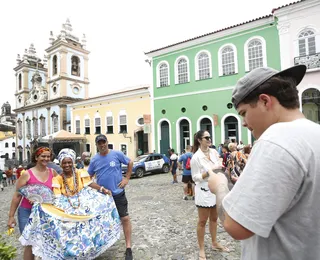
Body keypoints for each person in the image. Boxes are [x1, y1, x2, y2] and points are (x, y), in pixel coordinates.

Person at [207, 64, 320, 259]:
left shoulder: (276, 139)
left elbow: (237, 226)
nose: (243, 122)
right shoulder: (314, 133)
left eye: (243, 113)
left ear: (265, 101)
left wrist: (220, 186)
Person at [18, 148, 120, 259]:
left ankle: (89, 250)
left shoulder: (80, 173)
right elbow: (56, 196)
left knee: (88, 227)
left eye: (69, 162)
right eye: (64, 163)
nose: (67, 165)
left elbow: (89, 184)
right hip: (68, 206)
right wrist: (42, 204)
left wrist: (102, 189)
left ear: (73, 162)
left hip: (83, 204)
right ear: (61, 164)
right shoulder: (58, 179)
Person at [88, 134, 134, 260]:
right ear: (97, 145)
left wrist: (127, 178)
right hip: (103, 197)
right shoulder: (94, 160)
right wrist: (98, 188)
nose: (102, 145)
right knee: (101, 222)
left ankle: (128, 247)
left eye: (104, 142)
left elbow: (130, 162)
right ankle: (100, 246)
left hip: (118, 193)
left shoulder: (116, 154)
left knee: (124, 218)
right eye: (99, 143)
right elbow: (88, 178)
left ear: (107, 142)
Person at [7, 147, 57, 260]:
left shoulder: (52, 173)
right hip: (26, 212)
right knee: (29, 243)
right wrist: (11, 217)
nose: (46, 158)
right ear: (36, 157)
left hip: (45, 213)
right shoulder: (27, 174)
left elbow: (59, 192)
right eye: (43, 156)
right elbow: (17, 195)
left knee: (44, 242)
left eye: (48, 156)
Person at [190, 130, 229, 260]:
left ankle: (214, 242)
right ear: (200, 140)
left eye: (210, 137)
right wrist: (208, 172)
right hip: (204, 190)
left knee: (214, 219)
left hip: (215, 189)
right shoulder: (196, 157)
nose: (209, 139)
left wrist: (220, 168)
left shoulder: (213, 152)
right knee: (202, 221)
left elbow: (218, 164)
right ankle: (201, 248)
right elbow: (195, 177)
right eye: (206, 137)